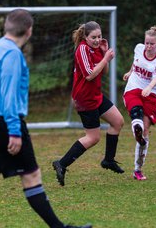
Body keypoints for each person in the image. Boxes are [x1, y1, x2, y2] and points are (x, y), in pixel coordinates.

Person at [0, 9, 91, 228]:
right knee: (31, 177)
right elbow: (9, 96)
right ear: (29, 30)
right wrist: (14, 131)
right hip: (6, 123)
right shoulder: (12, 54)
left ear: (7, 27)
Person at [52, 21, 125, 187]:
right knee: (93, 137)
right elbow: (89, 75)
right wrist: (106, 57)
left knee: (118, 122)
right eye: (93, 37)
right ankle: (61, 164)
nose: (97, 40)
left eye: (99, 36)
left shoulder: (97, 48)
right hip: (85, 98)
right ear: (85, 37)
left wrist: (104, 54)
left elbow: (103, 71)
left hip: (96, 96)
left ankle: (108, 160)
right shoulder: (82, 49)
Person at [122, 26, 156, 180]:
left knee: (146, 129)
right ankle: (136, 125)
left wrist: (149, 87)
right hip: (135, 86)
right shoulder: (138, 48)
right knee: (136, 110)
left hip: (153, 92)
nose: (148, 47)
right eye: (147, 43)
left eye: (152, 44)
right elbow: (136, 62)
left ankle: (138, 169)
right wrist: (130, 72)